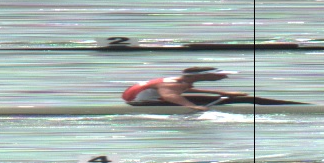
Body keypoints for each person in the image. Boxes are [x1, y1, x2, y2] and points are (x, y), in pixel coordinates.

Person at [120, 67, 302, 111]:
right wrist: (193, 107)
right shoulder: (172, 84)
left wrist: (223, 93)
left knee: (235, 99)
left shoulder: (176, 81)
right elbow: (170, 96)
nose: (221, 77)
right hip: (145, 105)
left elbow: (178, 92)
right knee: (247, 100)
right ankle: (296, 107)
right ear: (201, 76)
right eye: (217, 75)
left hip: (141, 101)